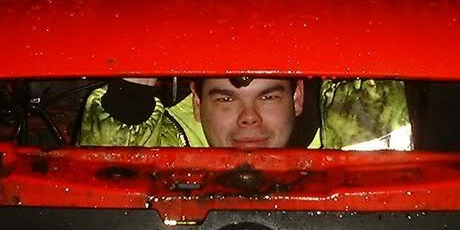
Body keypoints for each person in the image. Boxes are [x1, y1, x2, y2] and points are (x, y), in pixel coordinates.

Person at [78, 76, 411, 150]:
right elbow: (110, 173)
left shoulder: (352, 139)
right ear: (197, 104)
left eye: (268, 97)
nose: (248, 117)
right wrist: (132, 95)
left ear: (297, 97)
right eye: (226, 99)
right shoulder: (165, 142)